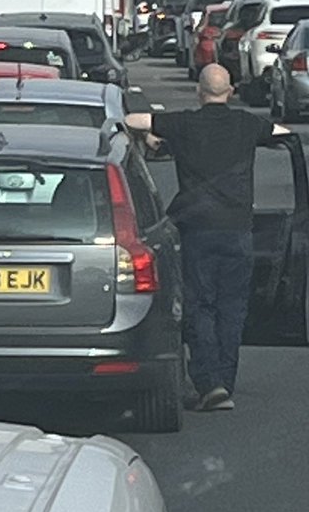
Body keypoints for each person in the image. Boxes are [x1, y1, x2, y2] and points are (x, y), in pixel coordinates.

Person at [124, 63, 289, 412]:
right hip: (238, 230)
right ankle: (224, 383)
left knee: (200, 305)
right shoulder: (247, 124)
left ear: (200, 93)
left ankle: (208, 382)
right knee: (232, 308)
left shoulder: (184, 123)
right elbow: (283, 132)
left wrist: (150, 136)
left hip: (197, 229)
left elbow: (132, 121)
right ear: (229, 91)